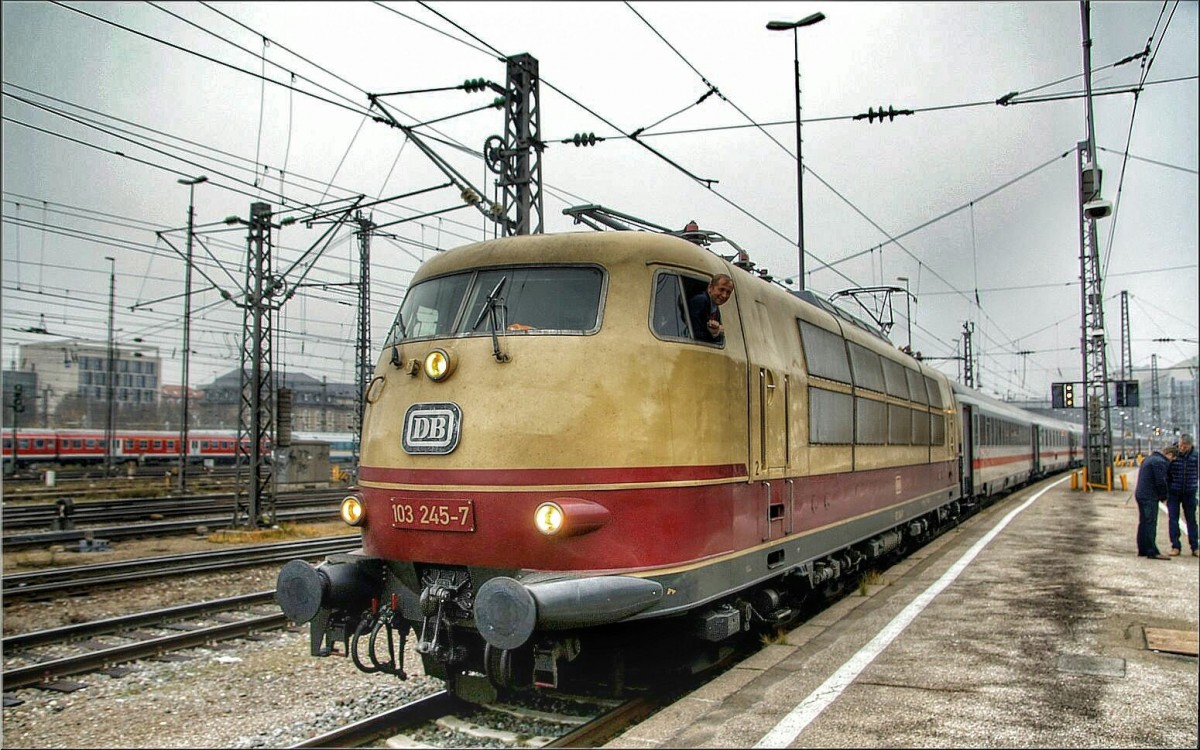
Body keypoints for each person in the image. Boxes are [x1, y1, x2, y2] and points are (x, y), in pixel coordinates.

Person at [1134, 443, 1179, 559]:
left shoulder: (1150, 458)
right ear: (1169, 454)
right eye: (1172, 459)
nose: (1171, 462)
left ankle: (1142, 549)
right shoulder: (1160, 462)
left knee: (1143, 522)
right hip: (1149, 496)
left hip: (1141, 494)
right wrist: (1164, 496)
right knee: (1150, 523)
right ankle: (1152, 551)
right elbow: (1161, 481)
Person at [1167, 433, 1198, 557]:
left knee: (1192, 520)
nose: (1182, 448)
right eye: (1181, 445)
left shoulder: (1196, 456)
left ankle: (1195, 547)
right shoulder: (1172, 454)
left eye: (1185, 446)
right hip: (1173, 493)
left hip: (1189, 493)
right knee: (1173, 520)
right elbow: (1166, 471)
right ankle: (1175, 546)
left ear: (1190, 445)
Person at [688, 274, 734, 344]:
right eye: (721, 289)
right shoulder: (700, 301)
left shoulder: (715, 308)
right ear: (710, 287)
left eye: (728, 292)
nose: (724, 295)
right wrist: (715, 333)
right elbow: (696, 334)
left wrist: (716, 332)